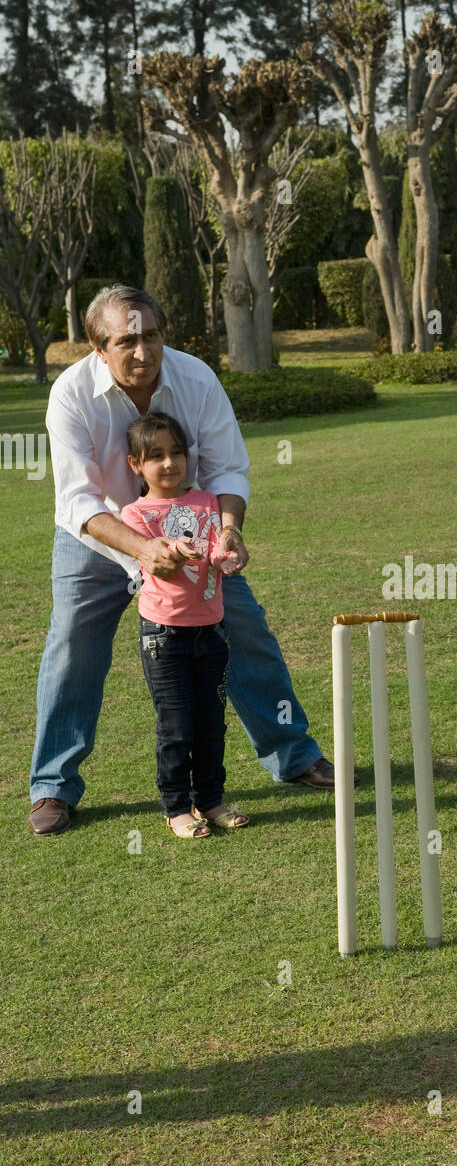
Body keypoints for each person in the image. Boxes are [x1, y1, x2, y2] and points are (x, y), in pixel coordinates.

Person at [29, 285, 335, 838]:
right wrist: (144, 552)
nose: (143, 352)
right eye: (127, 341)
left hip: (190, 536)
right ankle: (52, 786)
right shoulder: (69, 394)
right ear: (99, 348)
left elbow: (227, 471)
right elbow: (78, 499)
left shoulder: (195, 378)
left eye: (151, 336)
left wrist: (229, 533)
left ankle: (295, 755)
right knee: (72, 643)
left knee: (244, 630)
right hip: (98, 537)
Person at [121, 411, 249, 838]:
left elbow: (212, 553)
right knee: (177, 725)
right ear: (135, 465)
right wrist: (177, 548)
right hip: (165, 637)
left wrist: (225, 556)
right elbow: (163, 568)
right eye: (155, 455)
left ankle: (210, 801)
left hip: (211, 632)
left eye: (177, 452)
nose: (170, 463)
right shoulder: (135, 516)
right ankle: (176, 808)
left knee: (212, 721)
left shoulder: (206, 502)